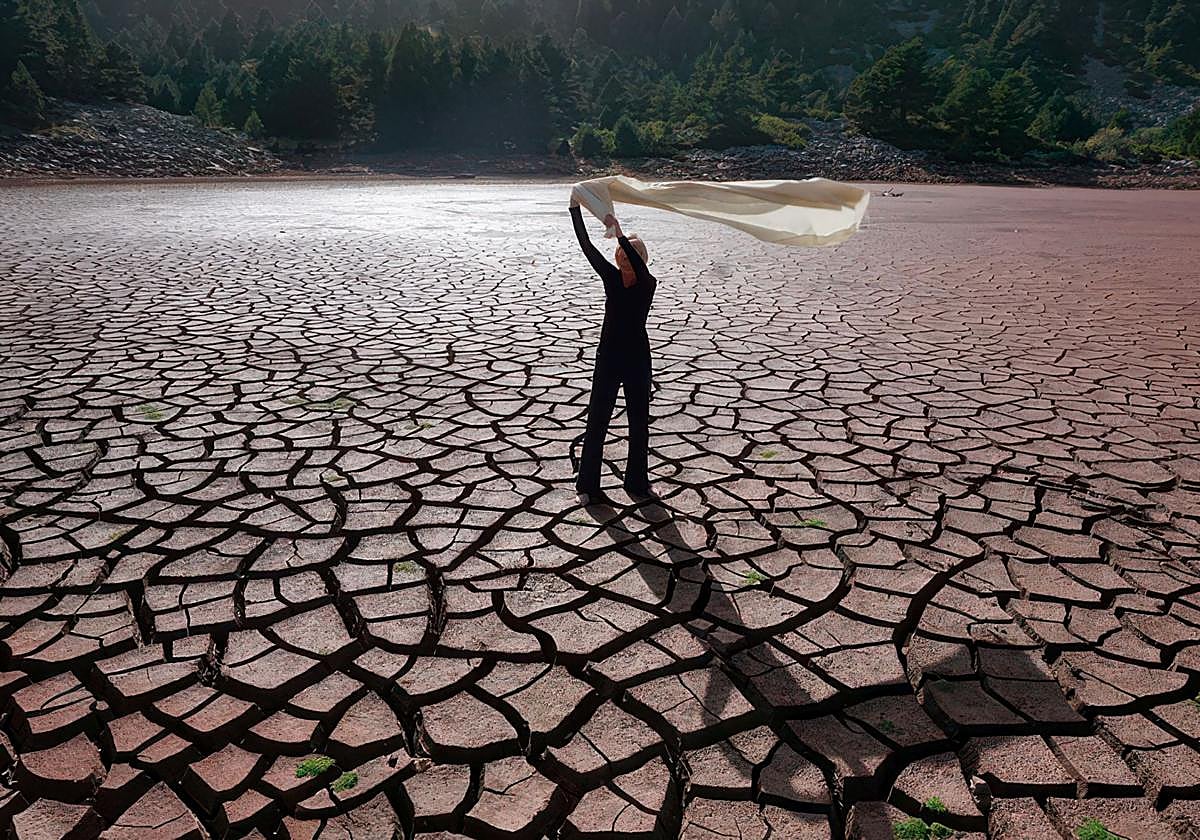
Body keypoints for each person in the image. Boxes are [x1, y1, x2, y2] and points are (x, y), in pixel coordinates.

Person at [569, 198, 657, 502]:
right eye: (621, 254)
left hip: (637, 360)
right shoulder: (612, 279)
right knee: (597, 422)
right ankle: (587, 486)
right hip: (608, 358)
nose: (624, 258)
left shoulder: (647, 284)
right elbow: (588, 248)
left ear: (640, 258)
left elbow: (639, 266)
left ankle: (637, 483)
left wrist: (621, 234)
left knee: (639, 423)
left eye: (629, 254)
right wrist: (575, 209)